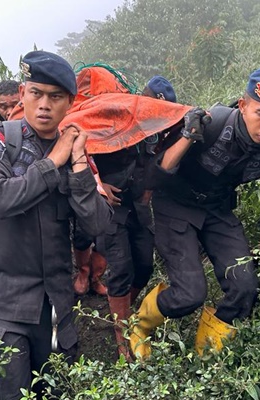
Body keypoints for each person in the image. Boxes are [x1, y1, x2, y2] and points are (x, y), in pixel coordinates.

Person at [130, 66, 260, 359]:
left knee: (245, 287)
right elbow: (156, 176)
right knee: (190, 293)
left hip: (217, 208)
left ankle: (205, 357)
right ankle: (140, 327)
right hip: (176, 205)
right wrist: (187, 135)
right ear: (244, 105)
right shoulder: (212, 123)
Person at [0, 50, 111, 399]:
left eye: (55, 97)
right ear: (23, 94)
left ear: (69, 103)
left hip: (55, 309)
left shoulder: (77, 151)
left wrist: (77, 162)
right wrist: (55, 159)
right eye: (36, 93)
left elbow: (97, 222)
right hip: (2, 309)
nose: (44, 105)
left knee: (53, 392)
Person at [94, 75, 178, 360]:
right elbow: (80, 140)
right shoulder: (113, 115)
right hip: (112, 205)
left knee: (143, 265)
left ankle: (124, 312)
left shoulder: (160, 130)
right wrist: (97, 182)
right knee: (120, 267)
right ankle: (122, 338)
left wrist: (150, 189)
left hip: (138, 206)